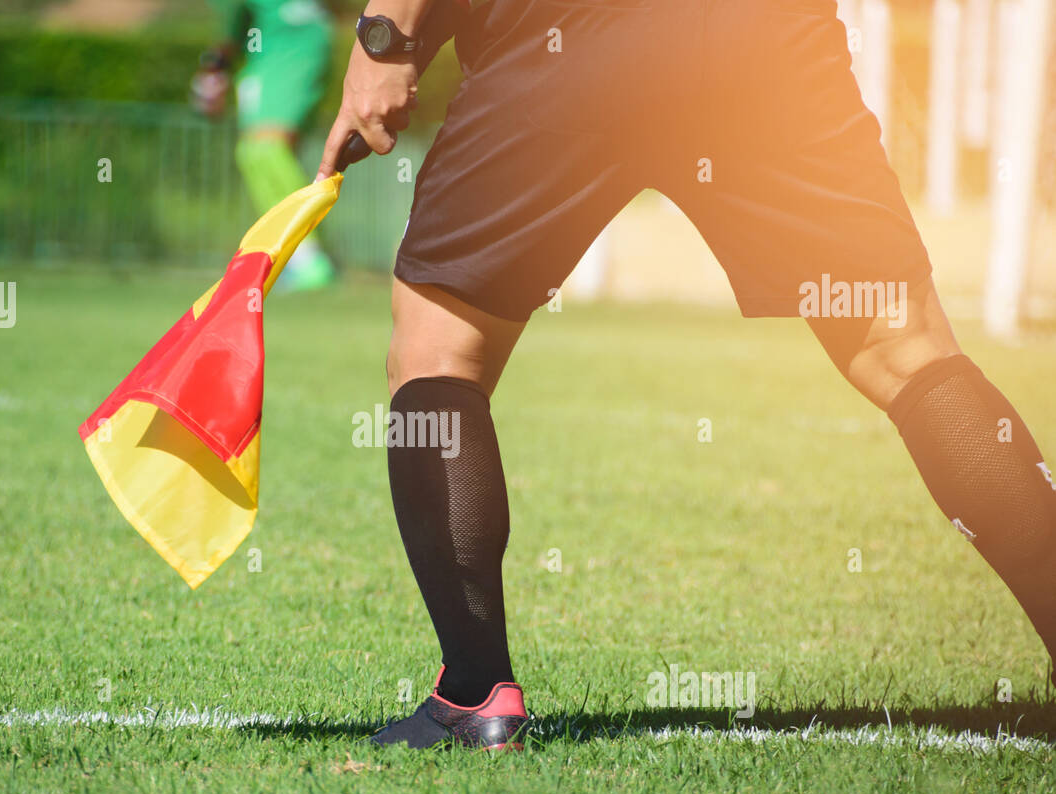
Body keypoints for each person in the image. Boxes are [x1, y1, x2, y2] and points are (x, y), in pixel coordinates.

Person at [313, 0, 1056, 750]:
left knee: (438, 354)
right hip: (760, 38)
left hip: (560, 39)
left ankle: (476, 696)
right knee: (907, 347)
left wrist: (385, 34)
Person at [195, 0, 338, 289]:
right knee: (254, 151)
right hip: (282, 43)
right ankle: (300, 254)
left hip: (290, 41)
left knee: (265, 149)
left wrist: (213, 68)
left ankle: (310, 257)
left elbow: (230, 29)